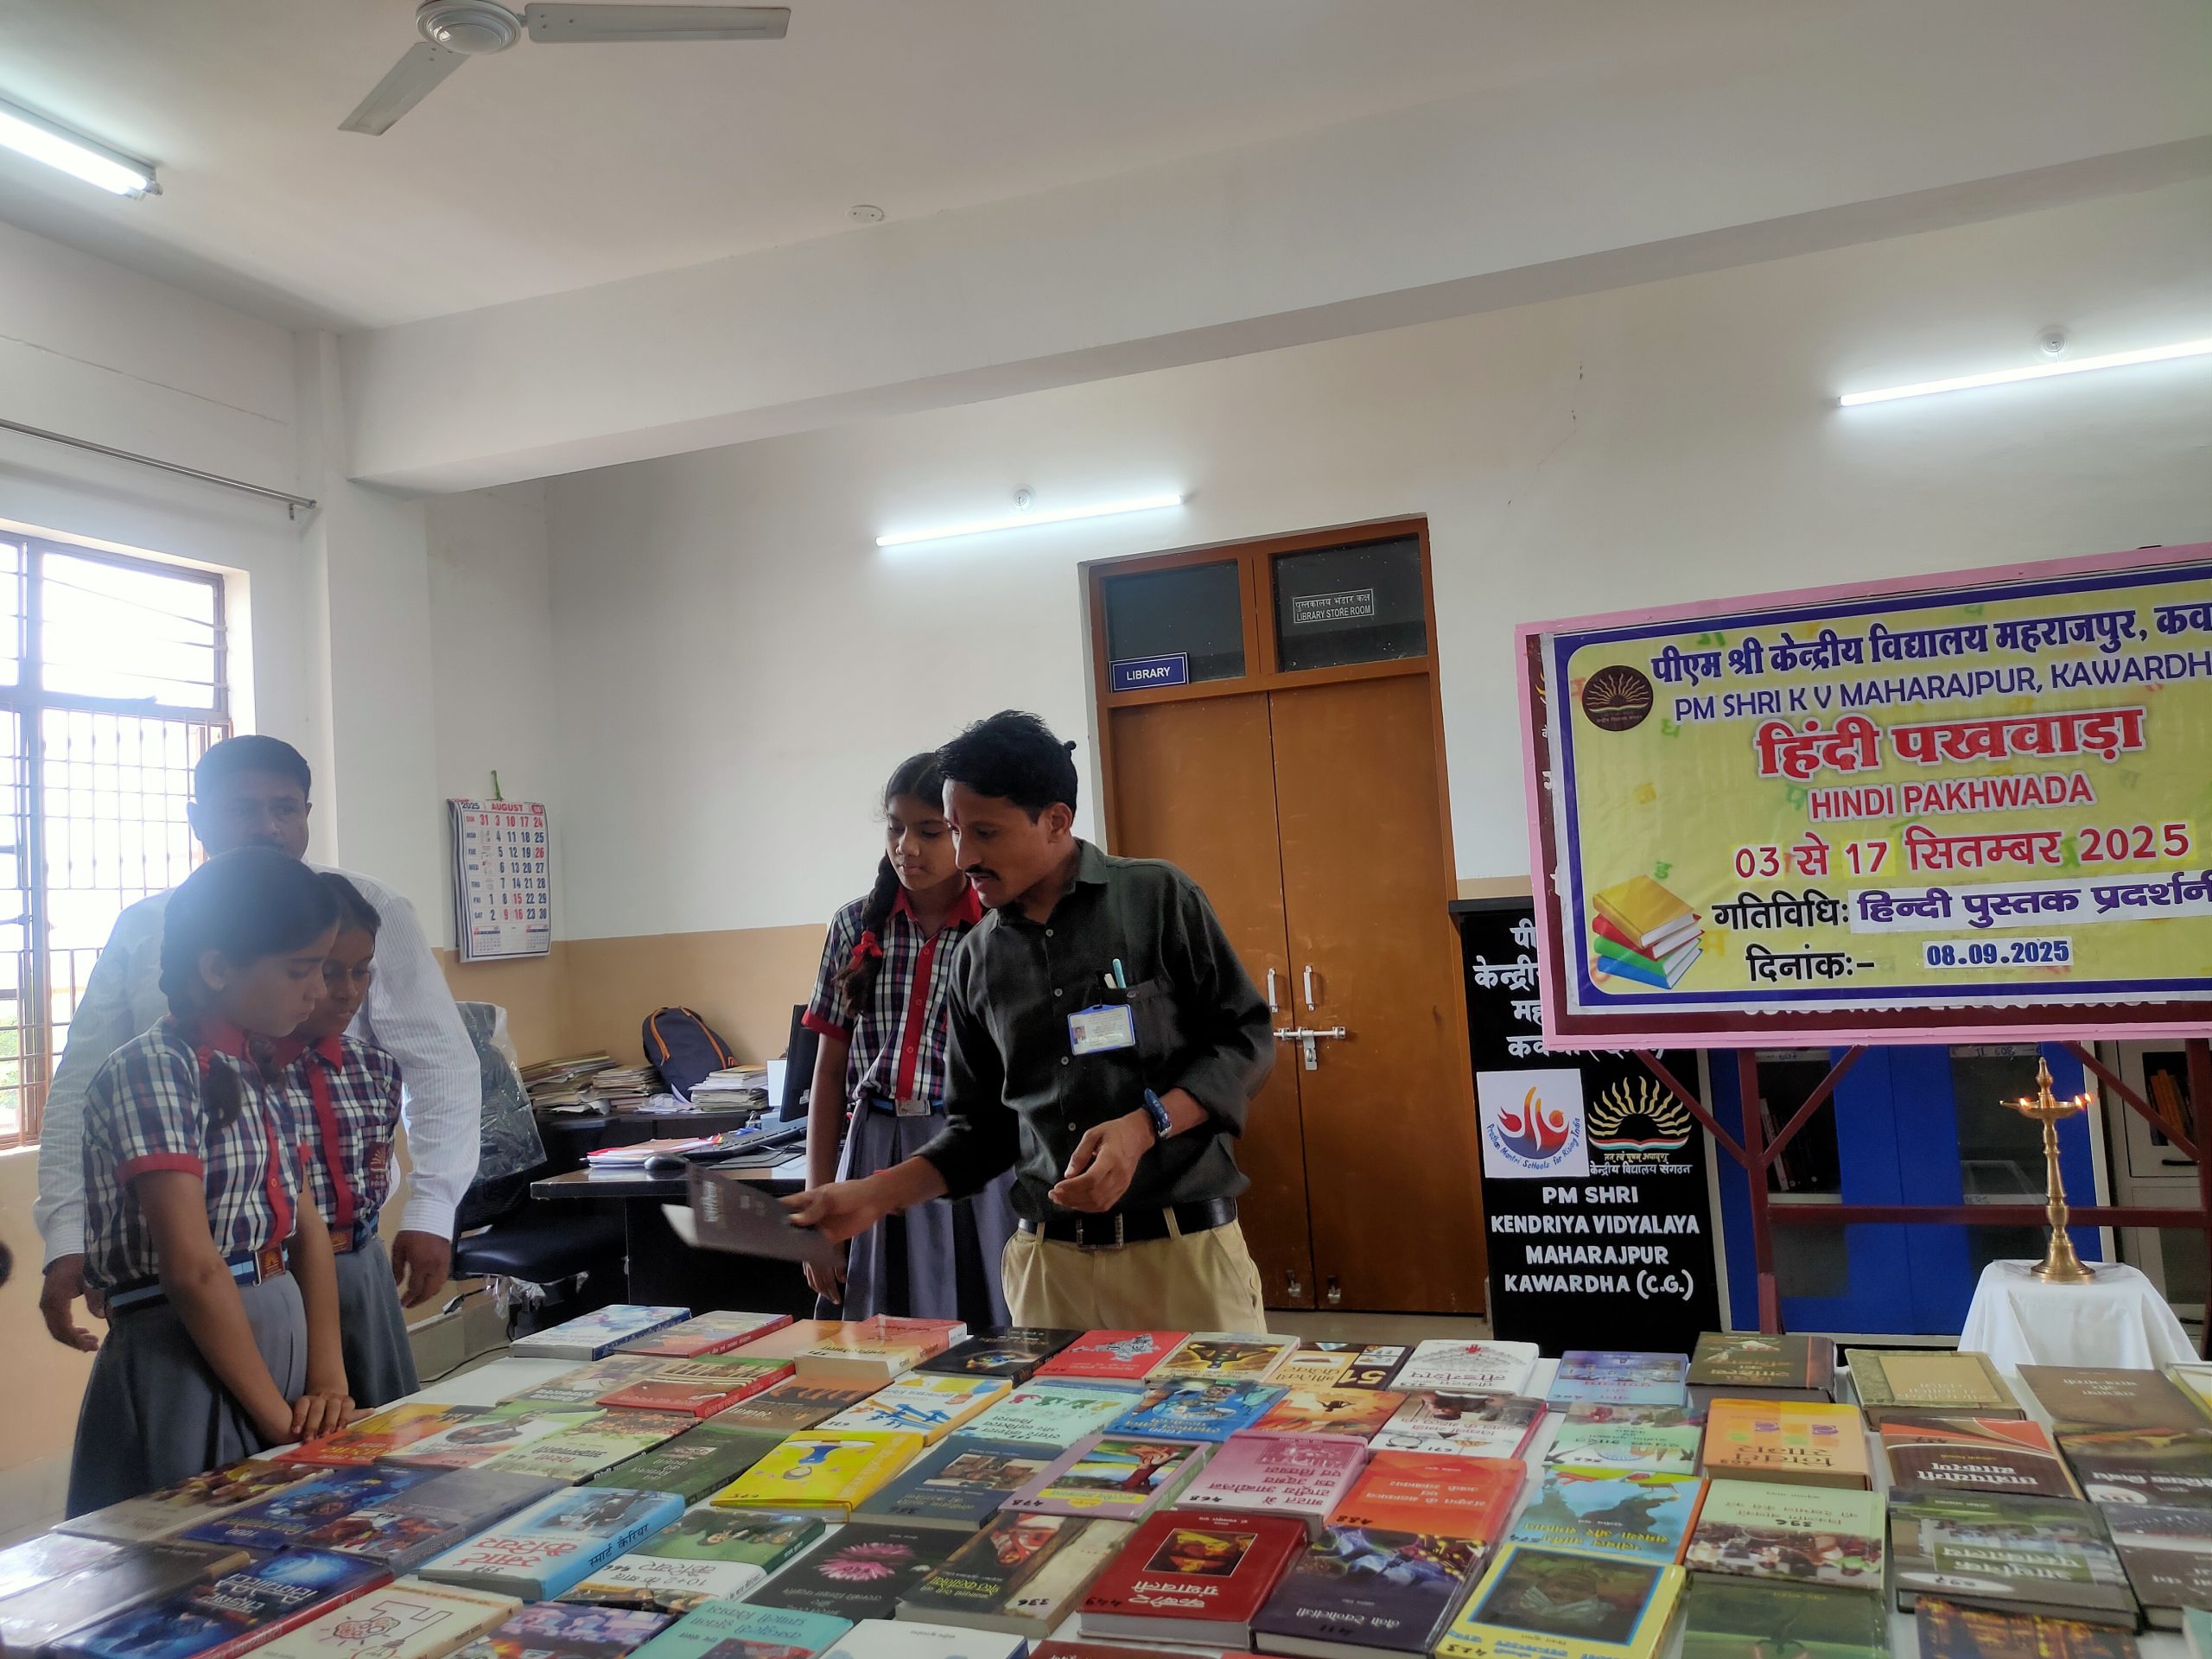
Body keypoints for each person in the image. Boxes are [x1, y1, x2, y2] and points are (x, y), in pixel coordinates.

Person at [788, 710, 1274, 1332]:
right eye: (956, 831)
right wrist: (869, 1195)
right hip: (1050, 1272)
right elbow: (981, 1135)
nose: (965, 856)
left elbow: (1246, 1040)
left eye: (985, 833)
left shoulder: (1157, 899)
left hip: (1183, 1257)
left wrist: (1146, 1125)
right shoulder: (977, 958)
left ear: (1056, 821)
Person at [36, 735, 480, 1351]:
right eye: (241, 808)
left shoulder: (365, 908)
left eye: (284, 808)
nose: (266, 826)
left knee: (352, 1404)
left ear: (307, 814)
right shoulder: (146, 927)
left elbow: (441, 1064)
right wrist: (67, 1234)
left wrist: (434, 1208)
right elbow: (81, 1087)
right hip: (190, 1265)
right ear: (197, 820)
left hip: (337, 1248)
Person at [68, 849, 355, 1514]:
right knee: (199, 1548)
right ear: (217, 968)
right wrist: (278, 1421)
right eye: (300, 970)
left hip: (277, 1328)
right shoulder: (154, 1068)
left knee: (287, 1543)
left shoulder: (261, 1063)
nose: (317, 991)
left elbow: (307, 1228)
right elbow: (194, 1270)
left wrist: (328, 1380)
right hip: (187, 1350)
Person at [798, 752, 1017, 1325]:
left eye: (929, 831)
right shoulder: (853, 926)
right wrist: (817, 1210)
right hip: (872, 1145)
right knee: (877, 1327)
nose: (907, 847)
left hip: (967, 1151)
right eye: (895, 828)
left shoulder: (998, 928)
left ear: (961, 834)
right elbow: (828, 1073)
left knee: (983, 1324)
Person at [270, 874, 418, 1407]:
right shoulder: (251, 1076)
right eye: (329, 971)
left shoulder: (376, 1070)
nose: (348, 991)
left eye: (361, 971)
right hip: (285, 1281)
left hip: (363, 1268)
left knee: (387, 1423)